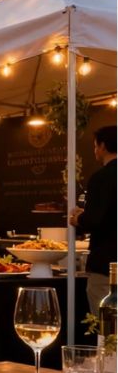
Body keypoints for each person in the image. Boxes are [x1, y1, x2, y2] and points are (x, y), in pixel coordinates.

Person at [69, 125, 116, 314]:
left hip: (106, 264)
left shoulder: (101, 177)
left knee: (106, 322)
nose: (95, 150)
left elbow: (96, 219)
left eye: (95, 146)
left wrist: (78, 218)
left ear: (103, 146)